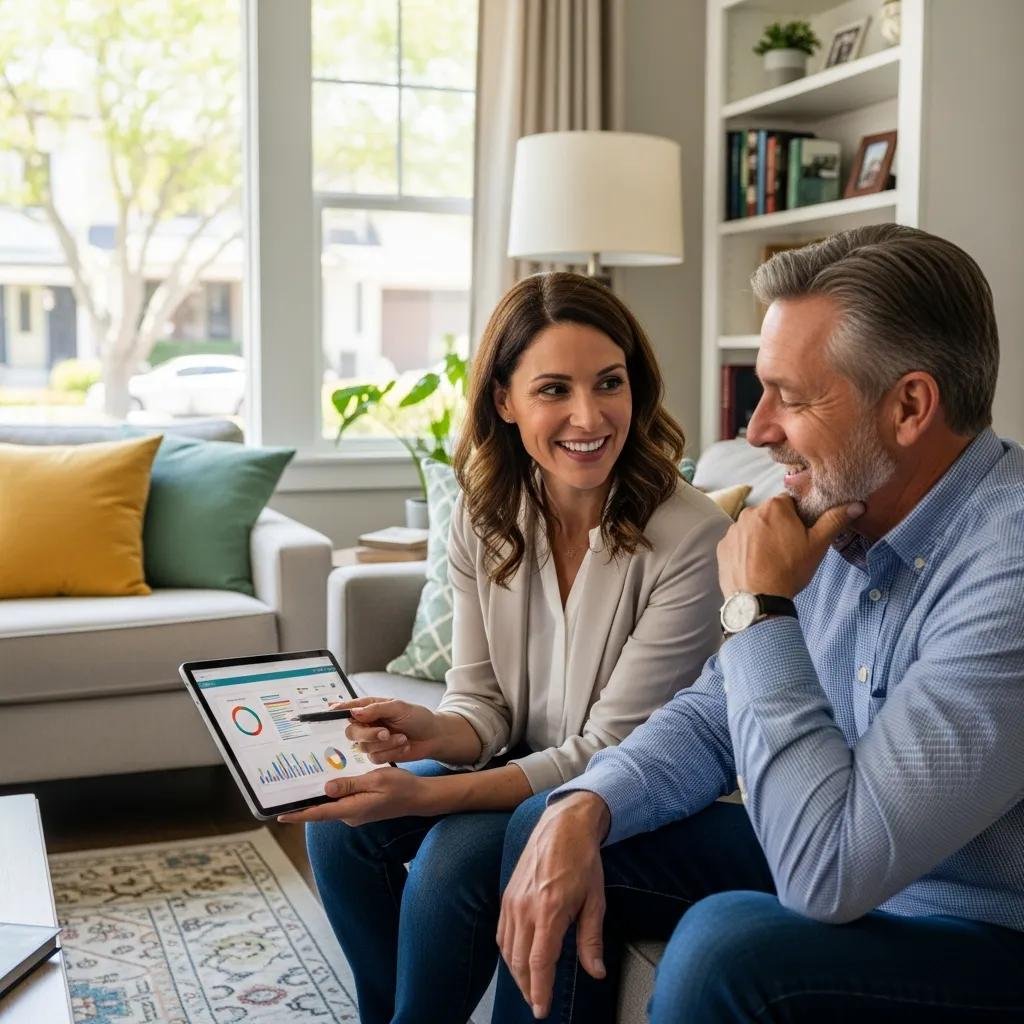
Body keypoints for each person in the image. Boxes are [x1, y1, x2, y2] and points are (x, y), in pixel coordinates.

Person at [495, 225, 1024, 1023]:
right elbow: (714, 717)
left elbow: (829, 873)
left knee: (728, 948)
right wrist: (588, 800)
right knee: (557, 824)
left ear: (910, 406)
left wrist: (758, 610)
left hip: (985, 929)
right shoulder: (844, 510)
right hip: (855, 863)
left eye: (791, 396)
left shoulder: (1007, 567)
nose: (758, 430)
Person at [280, 272, 731, 1024]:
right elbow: (482, 704)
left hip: (622, 790)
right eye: (553, 389)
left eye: (609, 383)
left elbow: (608, 753)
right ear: (504, 401)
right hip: (523, 759)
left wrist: (425, 793)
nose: (589, 415)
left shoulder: (693, 537)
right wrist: (429, 731)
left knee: (452, 861)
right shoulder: (483, 513)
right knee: (342, 836)